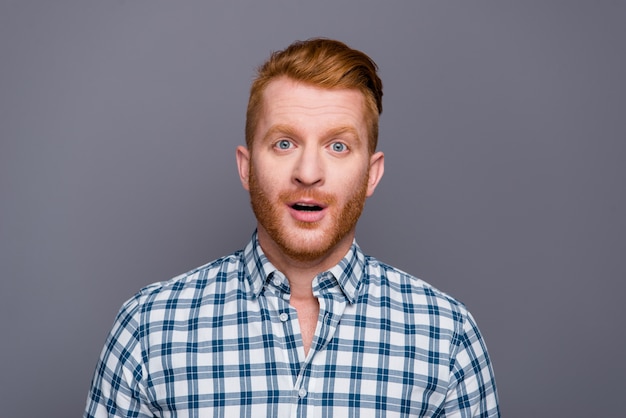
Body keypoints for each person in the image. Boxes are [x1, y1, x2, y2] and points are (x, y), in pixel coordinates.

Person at [84, 38, 500, 417]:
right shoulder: (149, 328)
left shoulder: (446, 335)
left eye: (338, 146)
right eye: (284, 143)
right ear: (247, 168)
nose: (308, 173)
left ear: (372, 175)